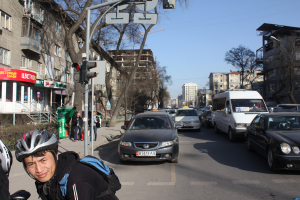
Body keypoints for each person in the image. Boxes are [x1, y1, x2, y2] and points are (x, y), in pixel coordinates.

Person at [15, 130, 119, 200]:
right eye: (31, 164)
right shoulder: (49, 178)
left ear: (56, 154)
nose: (38, 169)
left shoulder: (76, 181)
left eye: (43, 160)